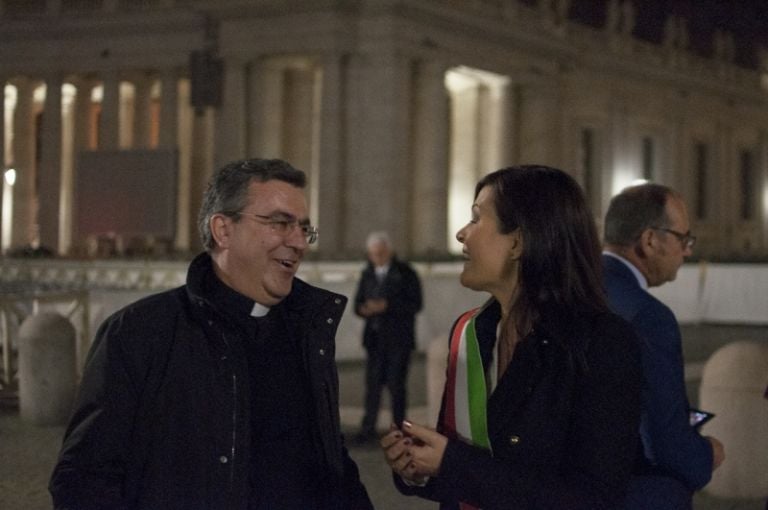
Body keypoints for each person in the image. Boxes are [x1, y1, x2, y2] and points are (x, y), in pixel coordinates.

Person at [49, 158, 373, 510]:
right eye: (281, 223)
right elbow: (83, 479)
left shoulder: (309, 334)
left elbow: (331, 463)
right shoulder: (139, 334)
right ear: (223, 230)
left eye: (304, 229)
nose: (298, 242)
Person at [381, 165, 643, 509]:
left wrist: (452, 462)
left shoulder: (603, 343)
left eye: (476, 218)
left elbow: (594, 498)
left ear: (518, 241)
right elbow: (469, 474)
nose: (461, 234)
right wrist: (420, 470)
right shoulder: (472, 333)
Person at [602, 183, 725, 510]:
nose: (687, 251)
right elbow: (666, 444)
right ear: (650, 240)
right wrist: (706, 455)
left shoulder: (570, 288)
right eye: (682, 239)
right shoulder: (649, 318)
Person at [354, 231, 422, 443]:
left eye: (381, 253)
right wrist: (364, 309)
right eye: (374, 254)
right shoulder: (367, 273)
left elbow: (416, 304)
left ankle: (399, 428)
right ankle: (368, 429)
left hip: (398, 340)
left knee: (396, 386)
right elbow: (357, 303)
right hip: (374, 340)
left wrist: (387, 306)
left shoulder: (406, 273)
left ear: (390, 251)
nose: (378, 257)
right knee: (372, 386)